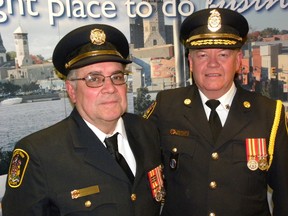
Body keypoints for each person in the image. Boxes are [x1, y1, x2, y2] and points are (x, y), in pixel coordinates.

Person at [2, 24, 165, 216]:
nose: (110, 88)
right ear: (72, 91)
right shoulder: (40, 155)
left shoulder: (145, 130)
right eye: (94, 79)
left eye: (117, 76)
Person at [144, 8, 288, 216]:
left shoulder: (268, 113)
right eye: (202, 55)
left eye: (223, 54)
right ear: (190, 62)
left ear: (238, 61)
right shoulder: (166, 107)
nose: (212, 64)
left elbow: (285, 193)